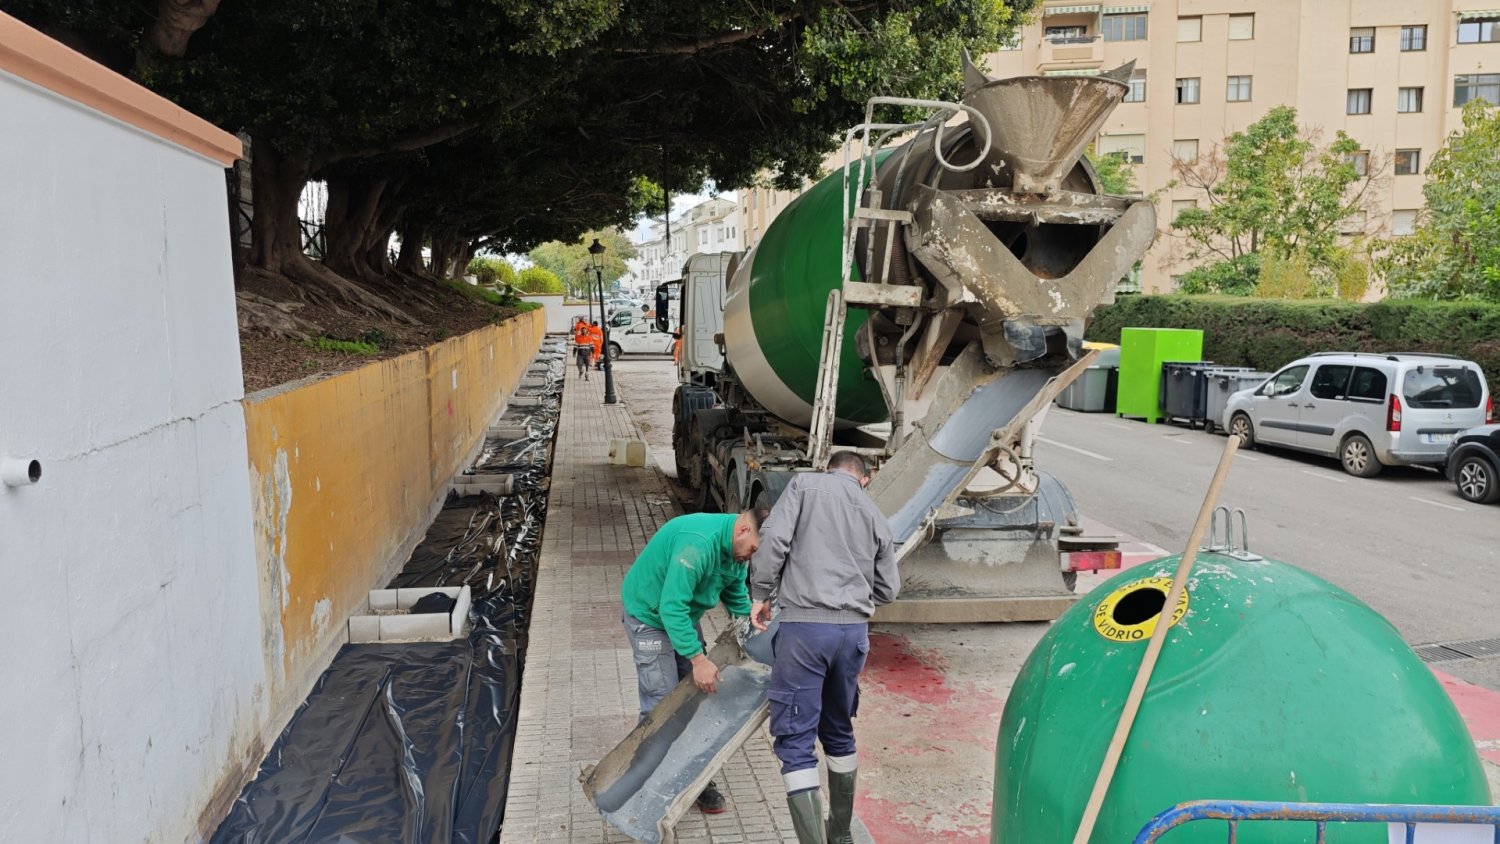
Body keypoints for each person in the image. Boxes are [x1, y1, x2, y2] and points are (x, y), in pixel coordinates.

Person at [749, 451, 898, 844]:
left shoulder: (803, 485)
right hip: (853, 636)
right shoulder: (872, 510)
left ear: (829, 467)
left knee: (796, 742)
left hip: (805, 633)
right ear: (864, 478)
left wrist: (762, 592)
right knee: (838, 730)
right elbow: (888, 589)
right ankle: (841, 833)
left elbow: (774, 540)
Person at [621, 507, 770, 814]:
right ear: (743, 530)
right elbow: (671, 608)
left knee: (694, 696)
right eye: (753, 549)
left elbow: (734, 592)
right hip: (650, 614)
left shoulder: (736, 551)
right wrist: (699, 660)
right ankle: (645, 790)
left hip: (681, 616)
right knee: (661, 704)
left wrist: (750, 625)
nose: (750, 556)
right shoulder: (698, 543)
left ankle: (690, 777)